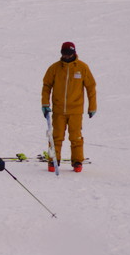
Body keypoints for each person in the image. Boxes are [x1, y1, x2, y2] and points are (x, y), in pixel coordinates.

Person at [41, 42, 97, 173]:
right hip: (58, 110)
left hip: (76, 111)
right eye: (64, 55)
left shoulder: (82, 68)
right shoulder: (54, 68)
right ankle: (53, 160)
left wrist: (92, 107)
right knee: (56, 136)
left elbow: (91, 87)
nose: (66, 57)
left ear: (74, 53)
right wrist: (45, 104)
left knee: (76, 137)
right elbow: (46, 86)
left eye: (69, 54)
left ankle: (77, 161)